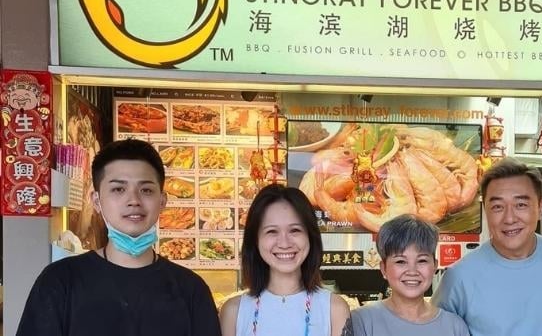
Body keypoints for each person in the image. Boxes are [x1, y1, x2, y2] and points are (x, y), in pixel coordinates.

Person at [17, 138, 221, 336]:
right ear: (96, 201)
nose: (133, 200)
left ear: (162, 200)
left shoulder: (191, 290)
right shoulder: (60, 281)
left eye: (146, 190)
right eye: (118, 189)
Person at [433, 157, 542, 336]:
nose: (509, 218)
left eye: (521, 205)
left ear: (540, 207)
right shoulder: (459, 277)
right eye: (498, 207)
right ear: (485, 211)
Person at [219, 185, 352, 336]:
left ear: (310, 236)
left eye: (295, 230)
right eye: (272, 231)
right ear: (255, 240)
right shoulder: (233, 312)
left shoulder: (335, 309)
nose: (284, 243)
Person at [351, 214, 469, 336]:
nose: (412, 271)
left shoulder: (455, 327)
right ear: (384, 268)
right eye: (400, 261)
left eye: (422, 260)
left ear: (435, 266)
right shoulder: (361, 321)